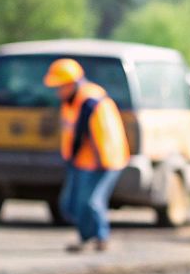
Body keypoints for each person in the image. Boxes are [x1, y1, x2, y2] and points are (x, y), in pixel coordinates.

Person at [43, 57, 129, 253]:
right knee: (73, 203)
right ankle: (87, 237)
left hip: (103, 161)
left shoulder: (89, 101)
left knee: (91, 201)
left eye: (60, 87)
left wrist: (79, 158)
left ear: (72, 83)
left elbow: (85, 134)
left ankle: (100, 238)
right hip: (85, 160)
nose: (58, 92)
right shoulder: (73, 101)